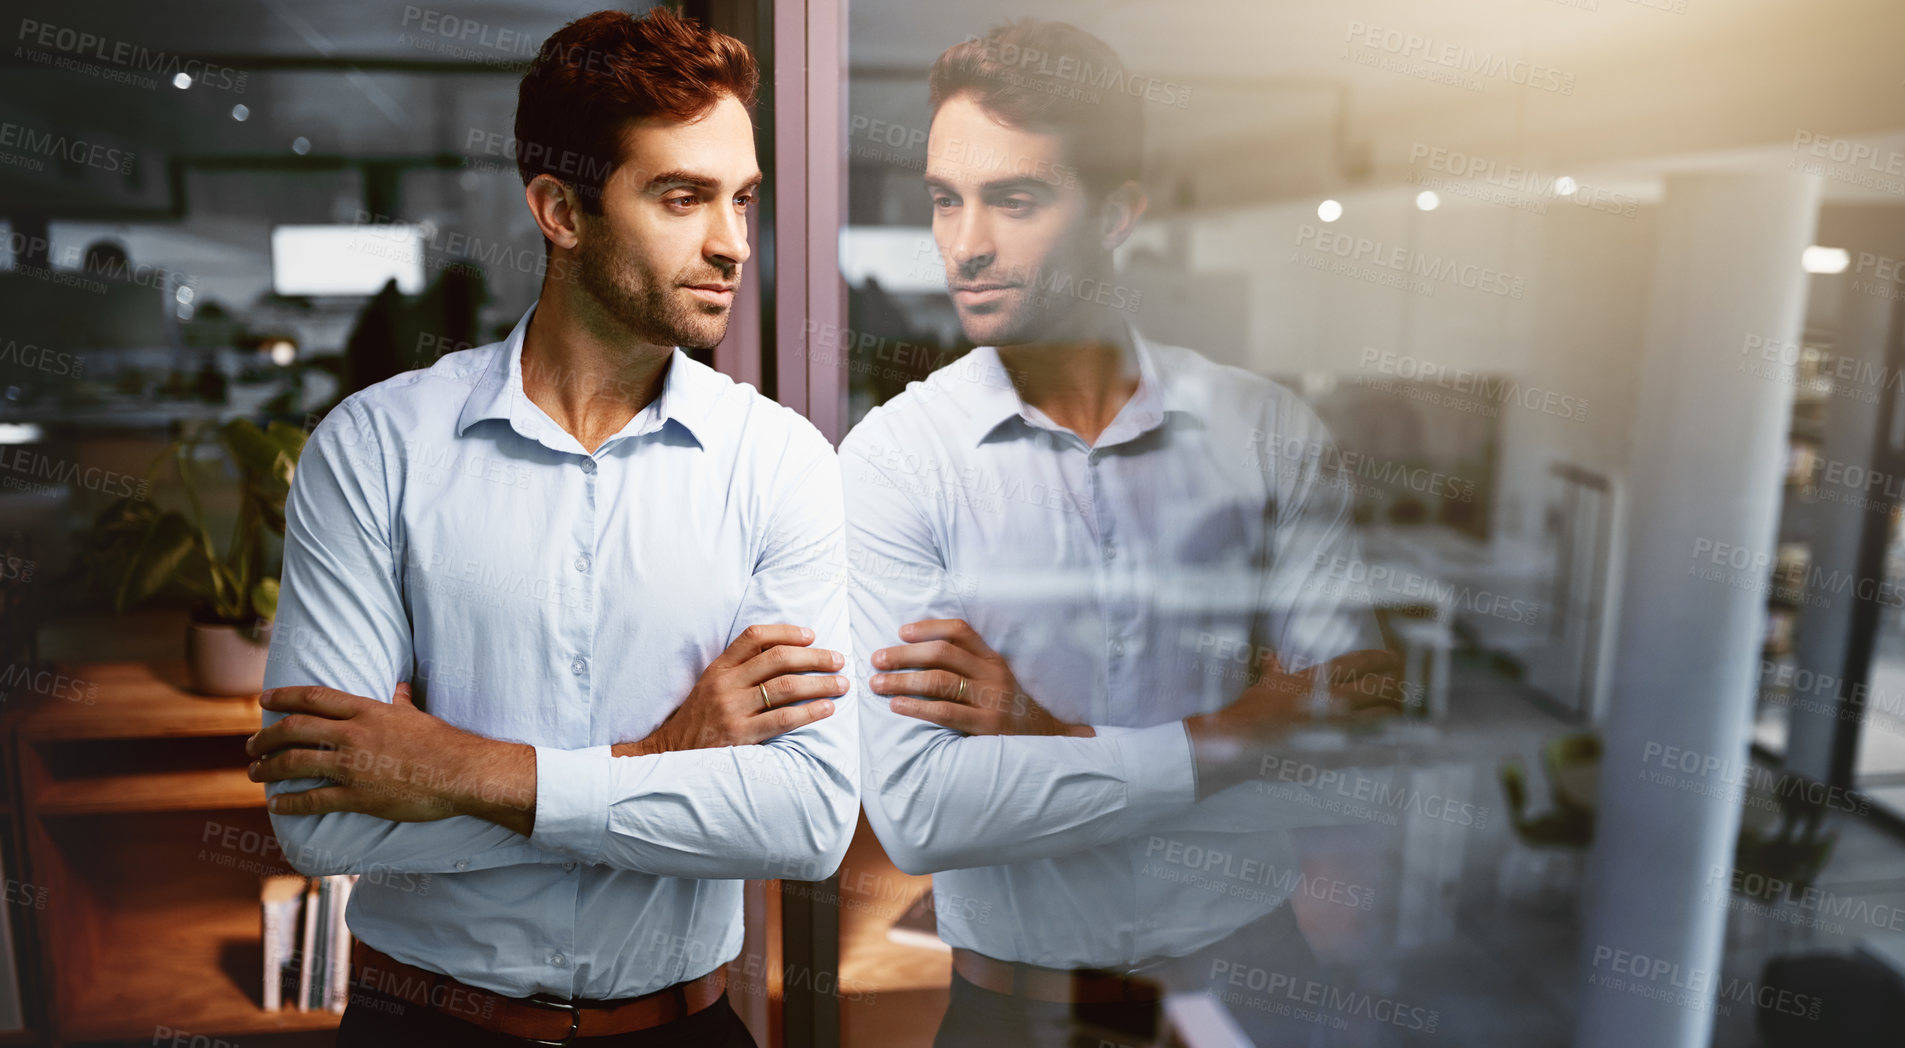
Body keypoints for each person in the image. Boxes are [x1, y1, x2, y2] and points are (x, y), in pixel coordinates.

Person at [246, 10, 857, 1045]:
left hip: (684, 1027)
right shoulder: (377, 448)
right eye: (682, 197)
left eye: (742, 199)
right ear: (560, 210)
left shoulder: (782, 462)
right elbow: (320, 815)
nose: (732, 243)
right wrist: (661, 757)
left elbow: (804, 821)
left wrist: (457, 771)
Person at [842, 19, 1404, 1047]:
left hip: (1250, 983)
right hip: (1017, 1010)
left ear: (1118, 214)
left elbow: (1354, 723)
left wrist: (1050, 741)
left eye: (1015, 199)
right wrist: (1247, 726)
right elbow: (927, 814)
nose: (966, 243)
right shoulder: (893, 462)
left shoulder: (1266, 429)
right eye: (944, 199)